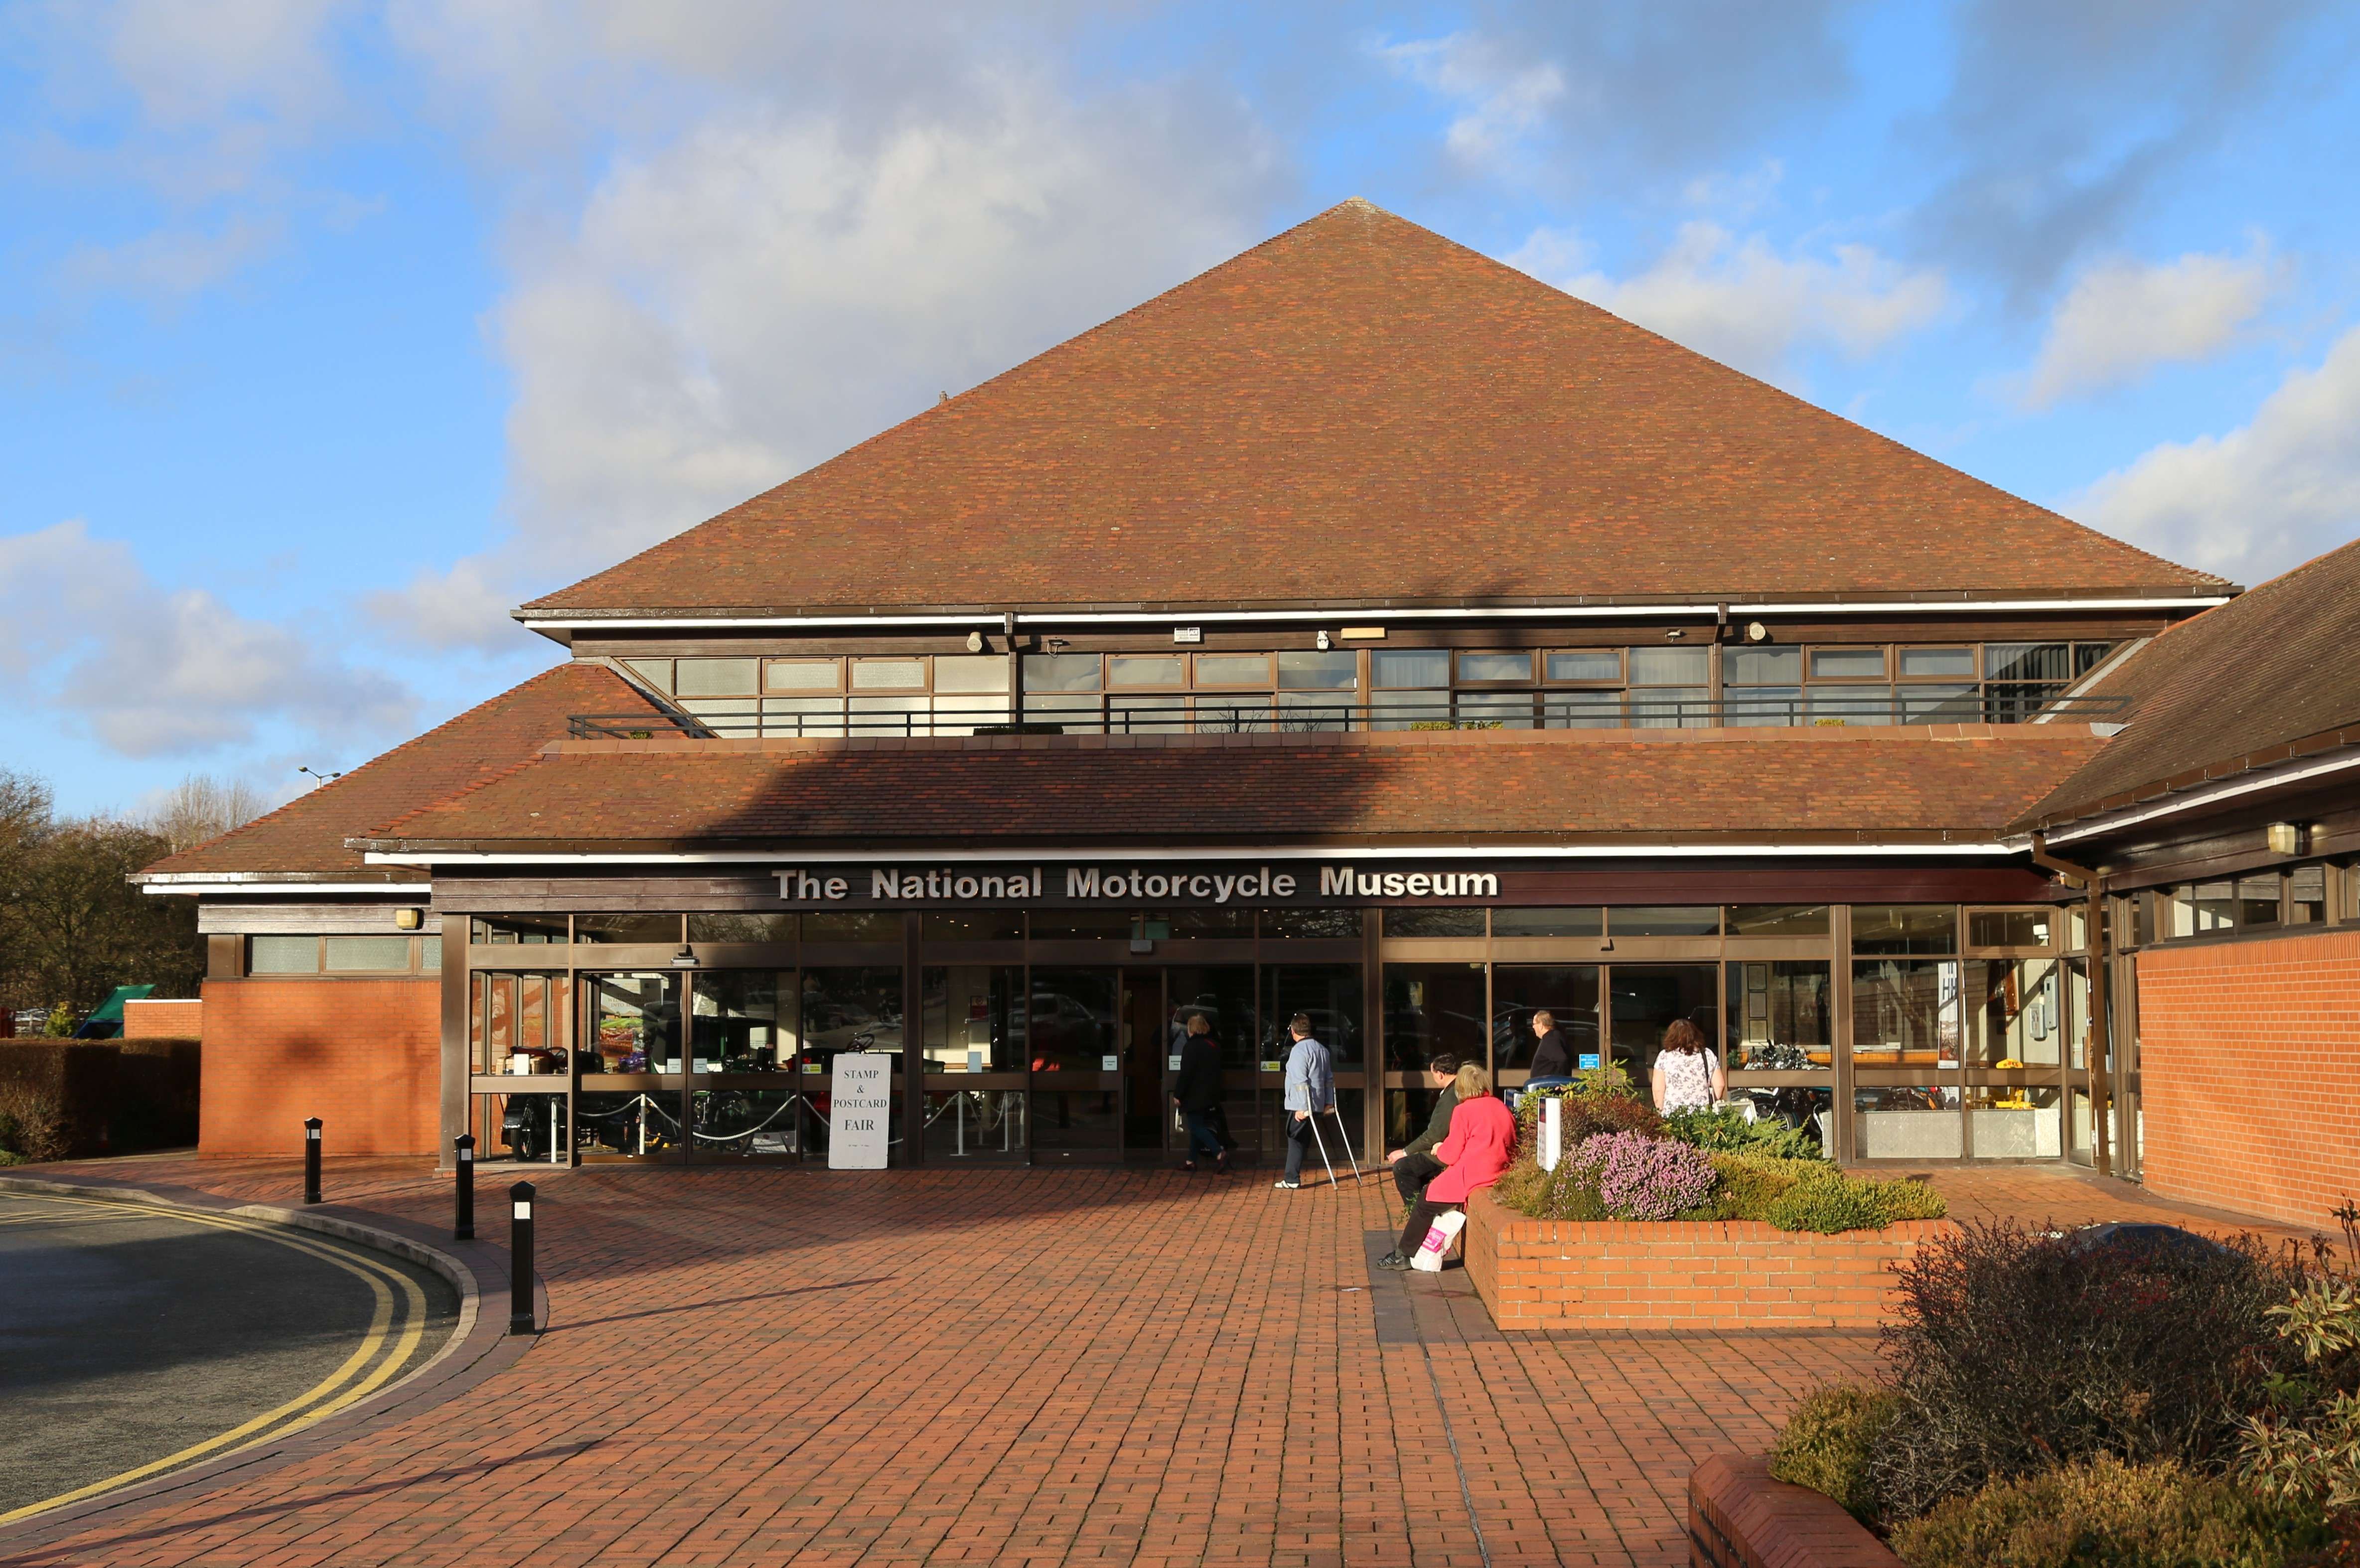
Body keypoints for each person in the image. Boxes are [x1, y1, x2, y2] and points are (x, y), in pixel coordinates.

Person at [1378, 1062, 1515, 1269]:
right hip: (1500, 1170)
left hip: (1473, 1174)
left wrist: (1438, 1148)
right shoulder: (1501, 1107)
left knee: (1426, 1199)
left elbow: (1450, 1156)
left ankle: (1403, 1254)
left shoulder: (1463, 1111)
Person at [1384, 1053, 1459, 1211]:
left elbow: (1434, 1135)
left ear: (1440, 1074)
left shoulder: (1450, 1097)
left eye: (1433, 1074)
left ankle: (1418, 1215)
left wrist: (1405, 1152)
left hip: (1446, 1151)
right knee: (1415, 1168)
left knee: (1403, 1168)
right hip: (1447, 1146)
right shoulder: (1454, 1091)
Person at [1275, 1012, 1333, 1190]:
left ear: (1293, 1031)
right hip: (1317, 1103)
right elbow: (1329, 1079)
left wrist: (1302, 1108)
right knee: (1299, 1138)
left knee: (1293, 1135)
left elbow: (1301, 1081)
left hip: (1304, 1105)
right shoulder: (1322, 1049)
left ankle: (1292, 1178)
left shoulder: (1298, 1051)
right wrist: (1329, 1102)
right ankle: (1292, 1176)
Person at [1171, 1011, 1228, 1173]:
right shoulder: (1214, 1045)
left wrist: (1178, 1094)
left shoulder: (1191, 1047)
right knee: (1198, 1127)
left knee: (1196, 1127)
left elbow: (1186, 1074)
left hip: (1194, 1095)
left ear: (1192, 1029)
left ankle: (1219, 1152)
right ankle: (1191, 1161)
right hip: (1211, 1094)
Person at [1651, 1018, 1727, 1114]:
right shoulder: (1707, 1054)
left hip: (1673, 1116)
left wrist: (1661, 1111)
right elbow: (1720, 1085)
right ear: (1695, 1035)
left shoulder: (1664, 1056)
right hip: (1702, 1117)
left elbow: (1658, 1090)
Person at [1526, 1009, 1573, 1082]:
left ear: (1541, 1025)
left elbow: (1562, 1060)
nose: (1533, 1027)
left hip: (1548, 1088)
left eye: (1534, 1024)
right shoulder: (1552, 1037)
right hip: (1543, 1086)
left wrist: (1563, 1082)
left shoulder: (1551, 1038)